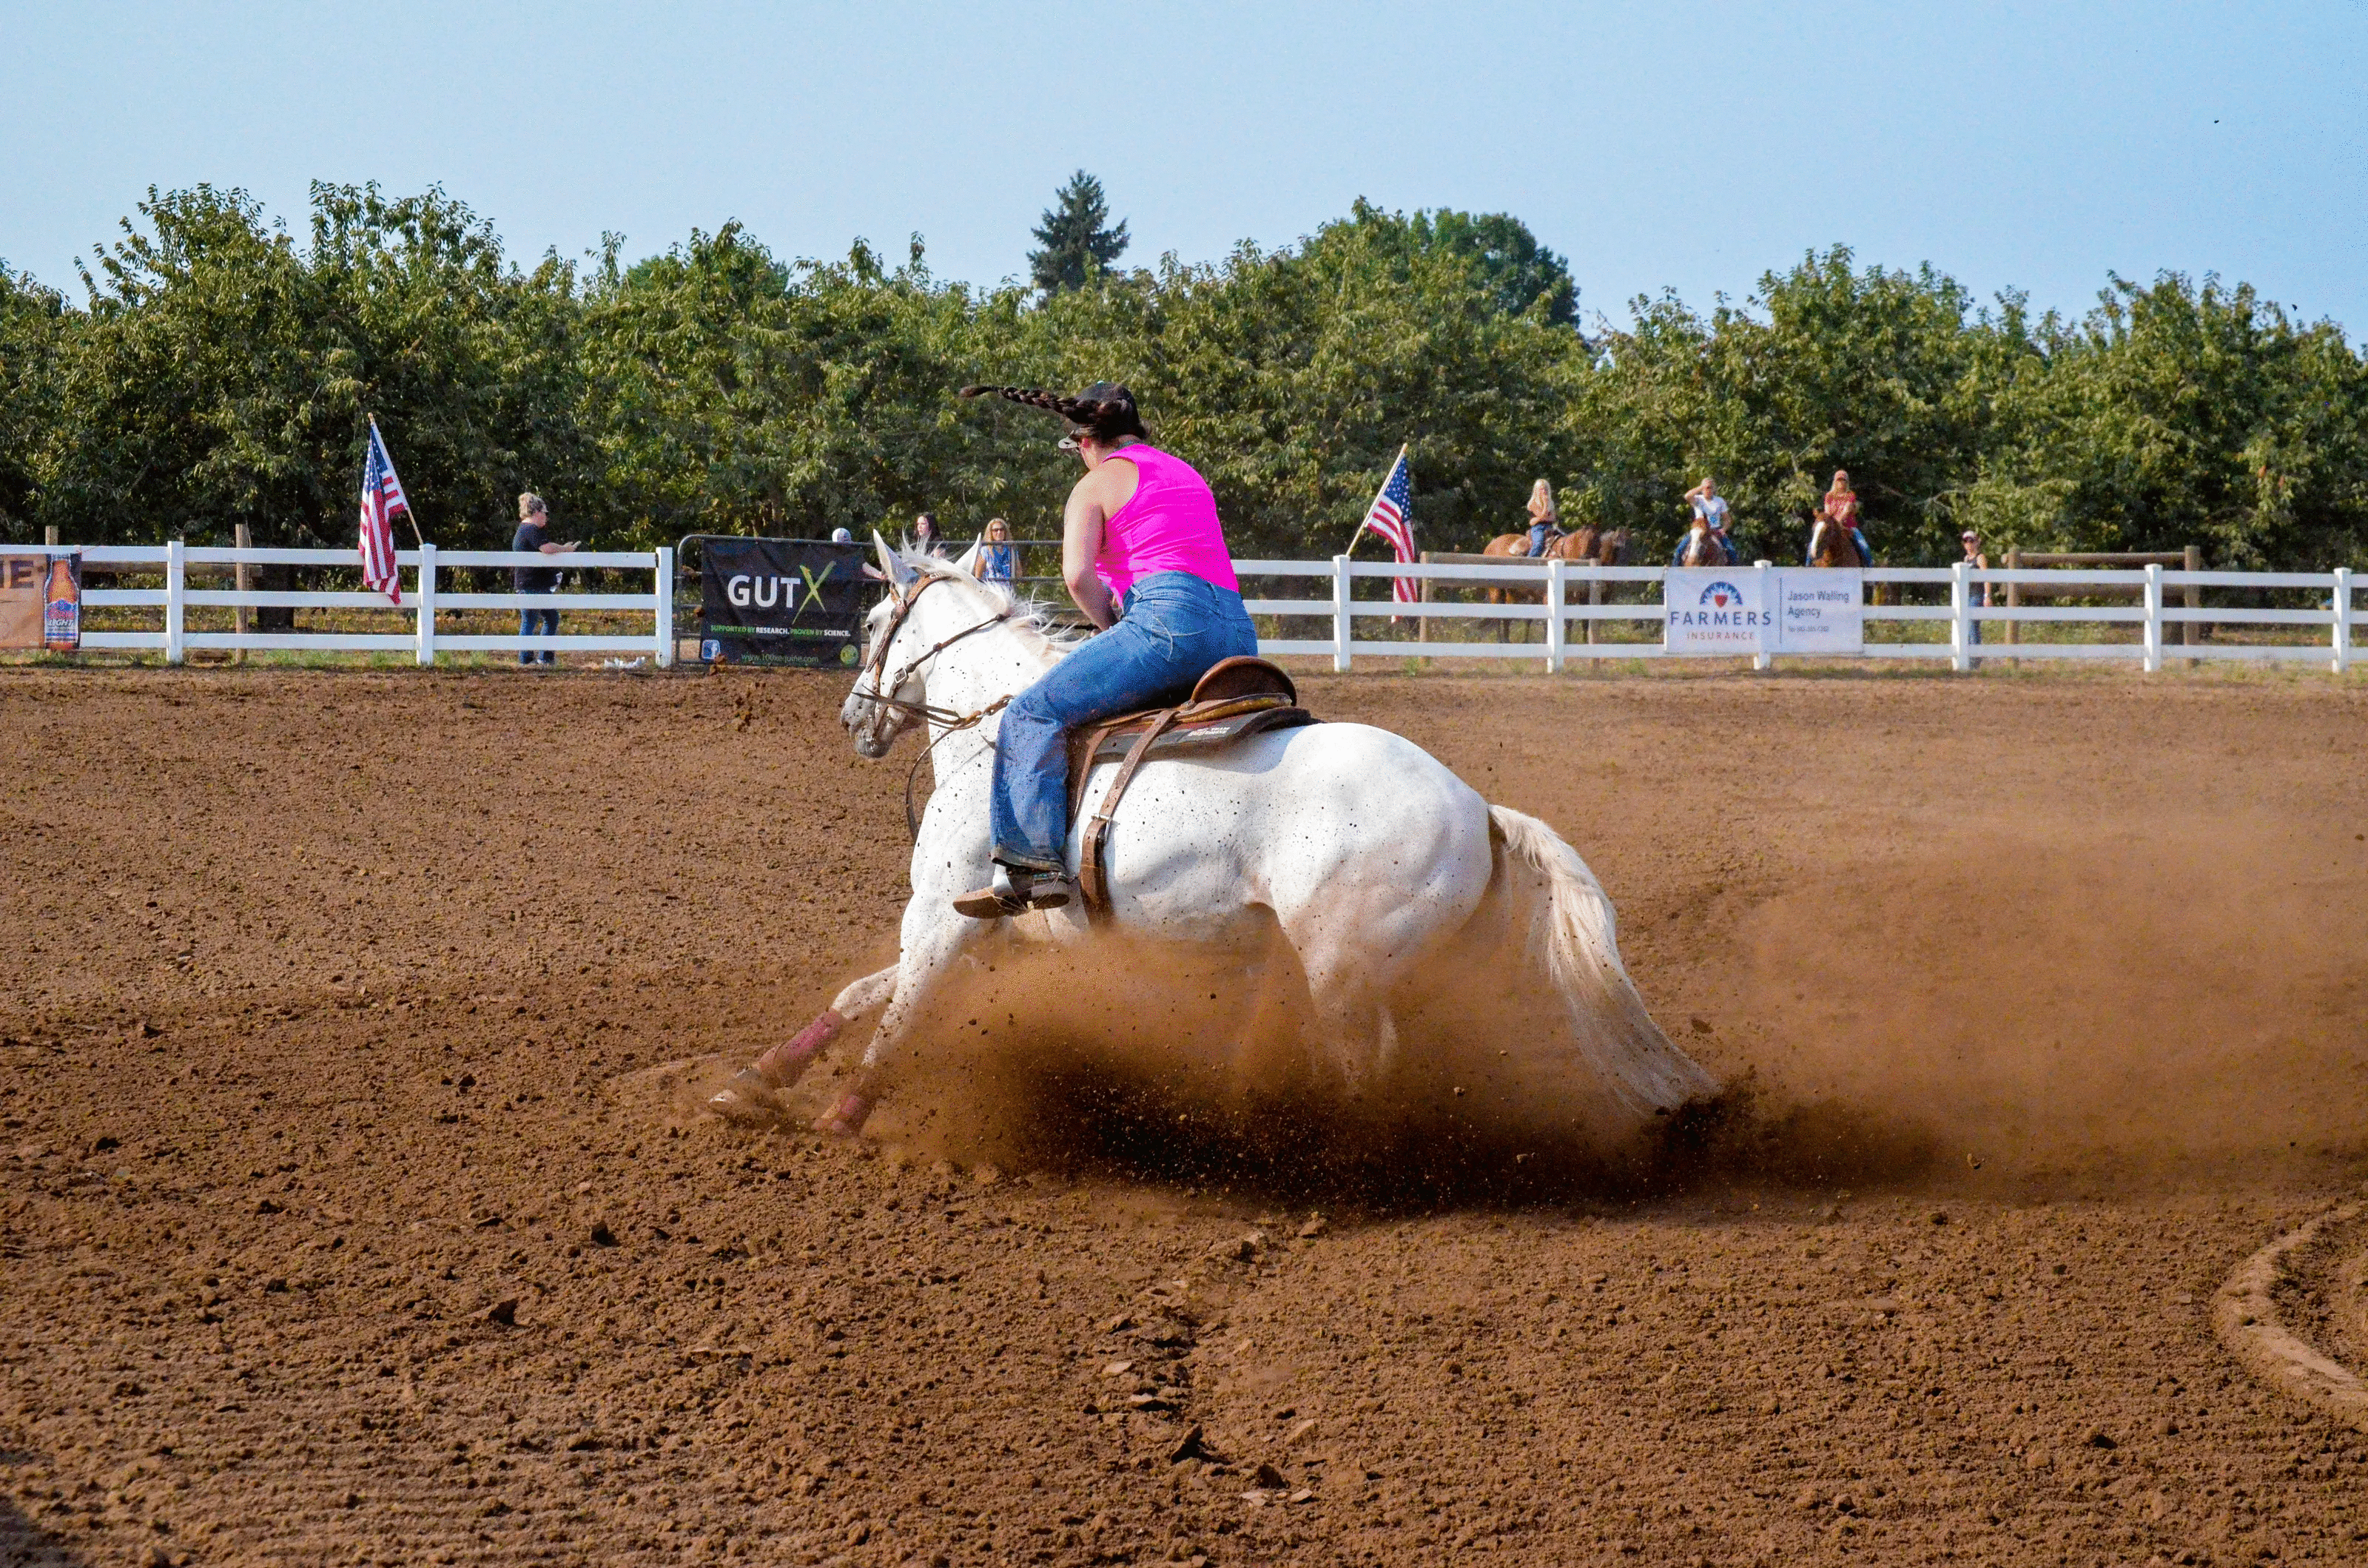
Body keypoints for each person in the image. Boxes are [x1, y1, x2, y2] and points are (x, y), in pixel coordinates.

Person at [950, 382, 1259, 918]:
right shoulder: (1187, 473)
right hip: (1237, 633)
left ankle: (1031, 866)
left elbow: (1076, 577)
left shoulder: (1094, 486)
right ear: (1136, 433)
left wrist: (1111, 621)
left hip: (1166, 623)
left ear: (1085, 442)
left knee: (1032, 712)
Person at [511, 494, 579, 667]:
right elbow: (547, 548)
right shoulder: (531, 530)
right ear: (536, 512)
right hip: (532, 585)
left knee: (544, 618)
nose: (546, 516)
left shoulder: (525, 531)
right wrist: (565, 549)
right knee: (538, 619)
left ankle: (539, 658)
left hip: (532, 585)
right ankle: (533, 659)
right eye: (545, 512)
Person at [1824, 470, 1872, 566]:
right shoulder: (1829, 496)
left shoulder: (1850, 495)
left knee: (1864, 547)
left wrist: (1838, 521)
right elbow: (1827, 514)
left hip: (1849, 528)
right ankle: (1808, 568)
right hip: (1832, 528)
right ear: (1835, 482)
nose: (1841, 482)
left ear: (1847, 482)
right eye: (1839, 480)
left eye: (1844, 480)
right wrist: (1833, 524)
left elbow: (1846, 511)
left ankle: (1869, 574)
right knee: (1814, 544)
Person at [1962, 528, 1989, 656]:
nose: (1969, 544)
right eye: (1966, 541)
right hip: (1968, 596)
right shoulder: (1966, 559)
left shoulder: (1980, 558)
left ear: (1977, 542)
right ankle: (1968, 656)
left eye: (1971, 541)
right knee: (1966, 626)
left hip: (1977, 596)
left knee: (1973, 625)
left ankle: (1976, 657)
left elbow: (1986, 578)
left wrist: (1987, 596)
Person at [974, 517, 1018, 588]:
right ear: (991, 532)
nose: (999, 532)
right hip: (991, 590)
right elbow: (978, 575)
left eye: (1002, 529)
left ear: (1005, 532)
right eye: (996, 530)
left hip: (1008, 591)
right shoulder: (985, 551)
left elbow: (1018, 571)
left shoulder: (1011, 550)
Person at [1524, 480, 1560, 556]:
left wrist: (1539, 518)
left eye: (1546, 489)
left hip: (1550, 527)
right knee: (1538, 545)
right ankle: (1529, 561)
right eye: (1542, 489)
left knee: (1564, 538)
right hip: (1538, 528)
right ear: (1537, 490)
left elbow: (1553, 518)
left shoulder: (1551, 503)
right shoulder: (1533, 503)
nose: (1544, 491)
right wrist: (1546, 504)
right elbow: (1543, 515)